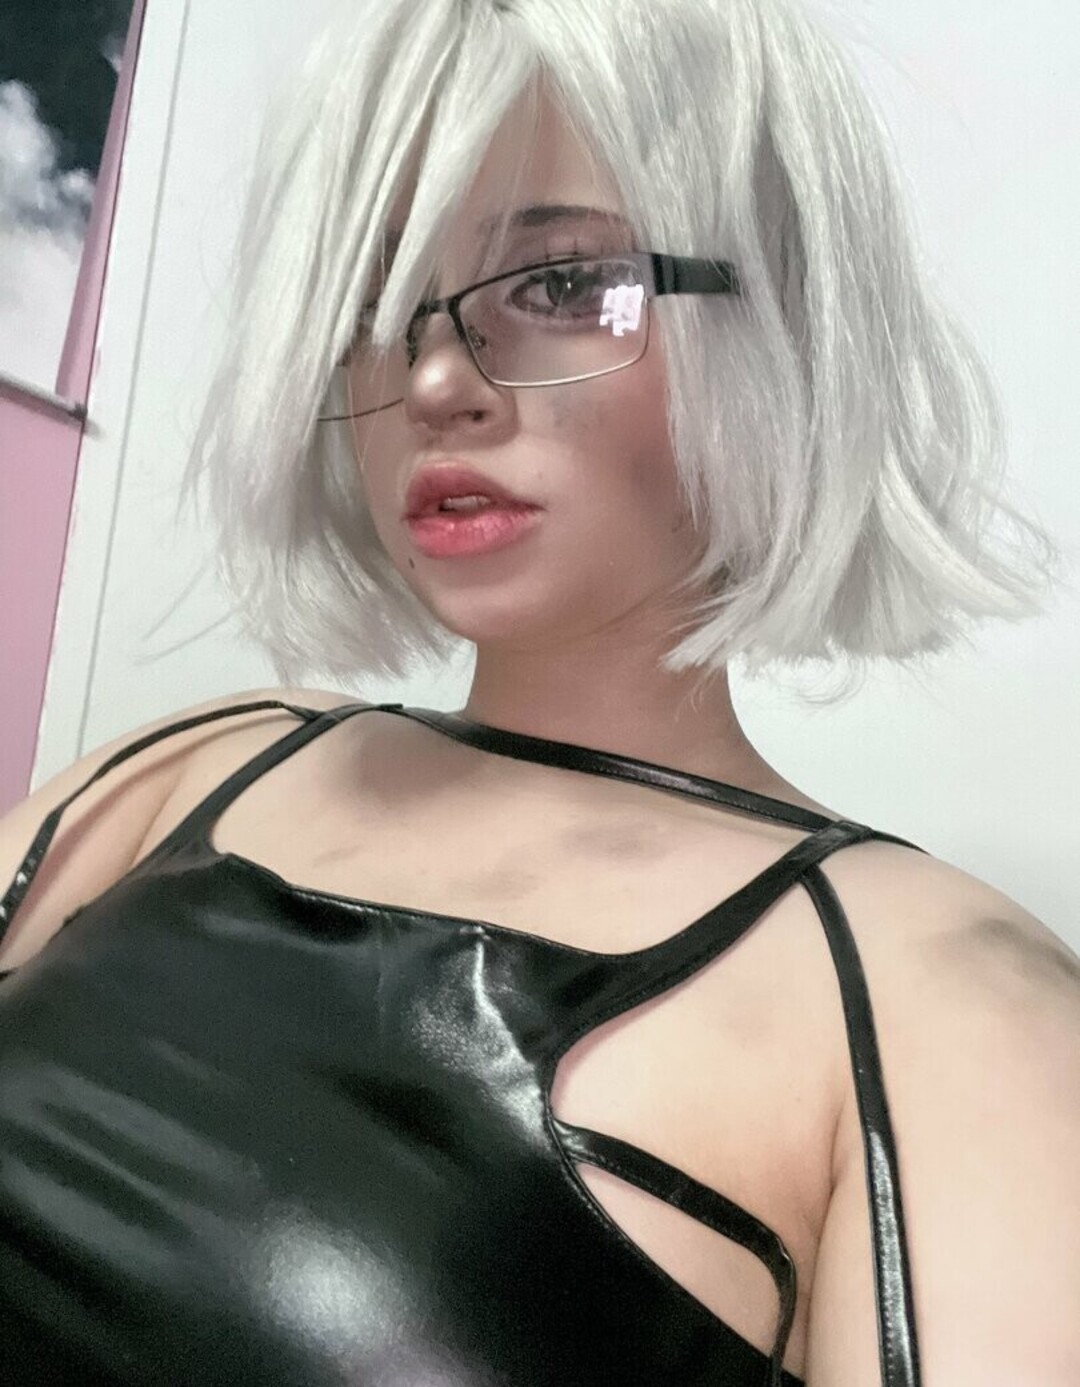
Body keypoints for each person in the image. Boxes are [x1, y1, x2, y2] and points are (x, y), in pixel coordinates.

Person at [0, 0, 1076, 1383]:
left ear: (787, 325)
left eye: (563, 285)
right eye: (380, 306)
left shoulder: (938, 998)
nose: (435, 378)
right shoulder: (196, 764)